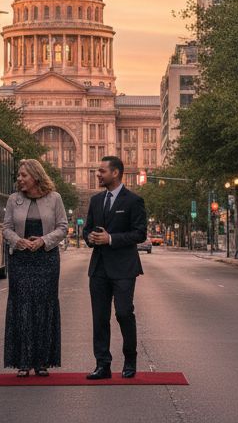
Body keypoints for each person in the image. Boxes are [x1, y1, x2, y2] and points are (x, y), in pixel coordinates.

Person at [82, 155, 147, 380]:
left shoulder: (133, 201)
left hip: (123, 268)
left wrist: (111, 239)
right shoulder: (96, 200)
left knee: (123, 313)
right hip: (98, 268)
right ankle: (103, 365)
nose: (97, 175)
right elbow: (87, 228)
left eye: (101, 171)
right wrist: (89, 237)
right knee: (99, 318)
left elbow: (140, 234)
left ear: (116, 173)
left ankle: (130, 359)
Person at [2, 159, 68, 377]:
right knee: (21, 307)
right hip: (21, 261)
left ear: (35, 176)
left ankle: (41, 361)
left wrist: (43, 240)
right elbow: (6, 228)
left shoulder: (54, 198)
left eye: (23, 175)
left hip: (46, 260)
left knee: (43, 307)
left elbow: (63, 227)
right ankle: (22, 361)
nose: (19, 179)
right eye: (18, 176)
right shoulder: (14, 200)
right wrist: (17, 241)